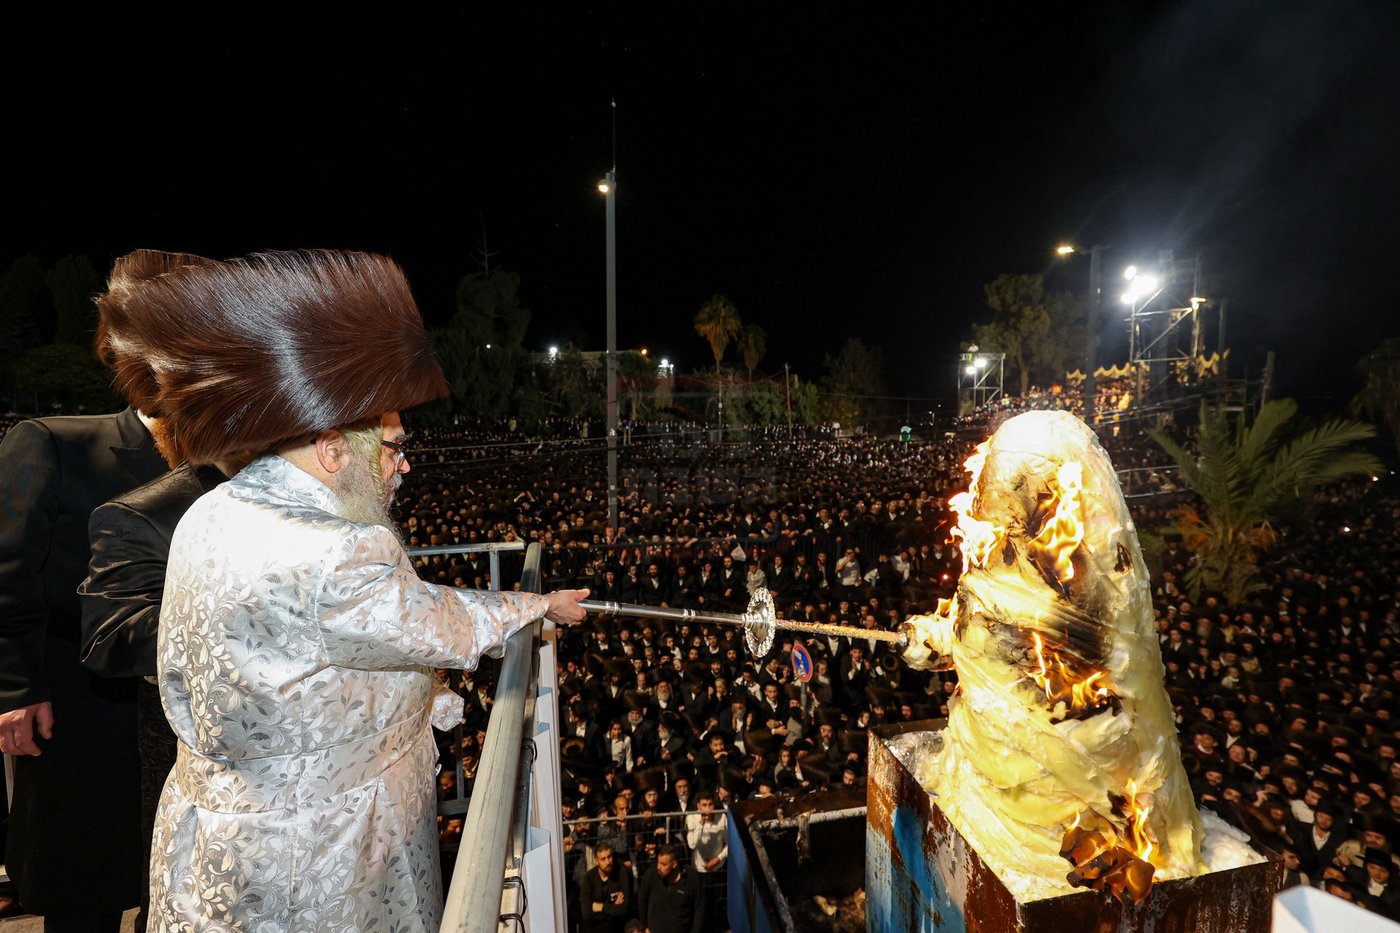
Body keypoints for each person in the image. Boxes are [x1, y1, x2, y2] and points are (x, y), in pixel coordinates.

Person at [112, 250, 590, 932]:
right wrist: (539, 604)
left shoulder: (207, 512)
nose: (404, 466)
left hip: (216, 841)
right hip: (320, 856)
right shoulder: (338, 547)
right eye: (394, 446)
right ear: (333, 448)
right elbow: (438, 621)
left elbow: (313, 661)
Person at [0, 255, 176, 931]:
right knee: (85, 897)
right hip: (80, 709)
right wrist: (16, 690)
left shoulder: (232, 467)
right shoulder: (54, 443)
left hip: (187, 717)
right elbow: (9, 572)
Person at [636, 844, 703, 933]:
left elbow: (700, 908)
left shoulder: (691, 878)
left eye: (663, 864)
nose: (658, 867)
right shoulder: (652, 874)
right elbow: (641, 897)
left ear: (674, 864)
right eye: (658, 862)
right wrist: (644, 926)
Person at [578, 841, 634, 933]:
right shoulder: (589, 879)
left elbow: (625, 908)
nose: (608, 862)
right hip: (594, 929)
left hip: (616, 928)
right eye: (603, 859)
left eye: (609, 857)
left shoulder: (621, 873)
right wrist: (613, 907)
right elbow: (587, 914)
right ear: (596, 861)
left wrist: (602, 907)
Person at [684, 792, 728, 873]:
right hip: (699, 867)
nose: (708, 809)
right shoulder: (691, 817)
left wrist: (718, 858)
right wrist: (701, 823)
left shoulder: (722, 817)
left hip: (718, 866)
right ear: (698, 806)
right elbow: (692, 845)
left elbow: (729, 843)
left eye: (710, 804)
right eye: (704, 805)